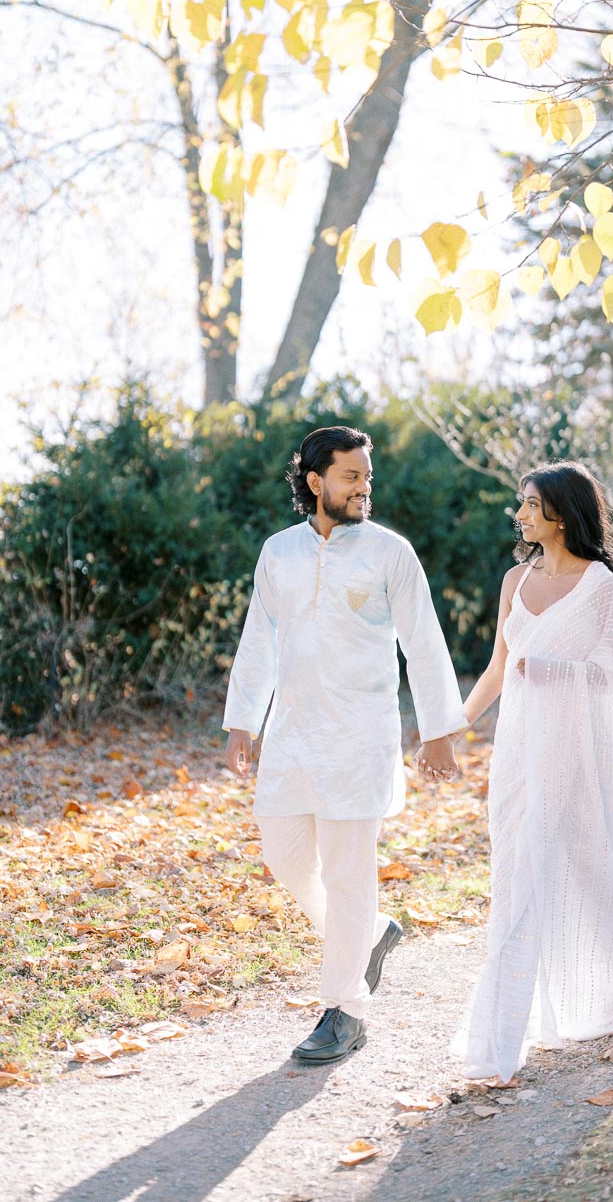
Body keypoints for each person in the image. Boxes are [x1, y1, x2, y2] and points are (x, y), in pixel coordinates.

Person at [421, 460, 613, 1084]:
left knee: (591, 874)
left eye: (532, 504)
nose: (521, 514)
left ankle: (604, 1000)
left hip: (581, 757)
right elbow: (500, 669)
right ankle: (505, 1031)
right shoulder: (515, 580)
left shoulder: (602, 589)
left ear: (564, 513)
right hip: (519, 754)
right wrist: (450, 729)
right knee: (515, 874)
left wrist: (558, 670)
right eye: (521, 503)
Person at [224, 425, 466, 1065]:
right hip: (293, 734)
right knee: (281, 851)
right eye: (351, 476)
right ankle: (371, 936)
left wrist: (439, 730)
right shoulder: (279, 553)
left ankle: (345, 1011)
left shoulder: (390, 553)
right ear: (316, 482)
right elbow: (259, 639)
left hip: (361, 736)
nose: (364, 488)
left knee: (348, 873)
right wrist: (242, 719)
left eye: (367, 476)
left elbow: (424, 641)